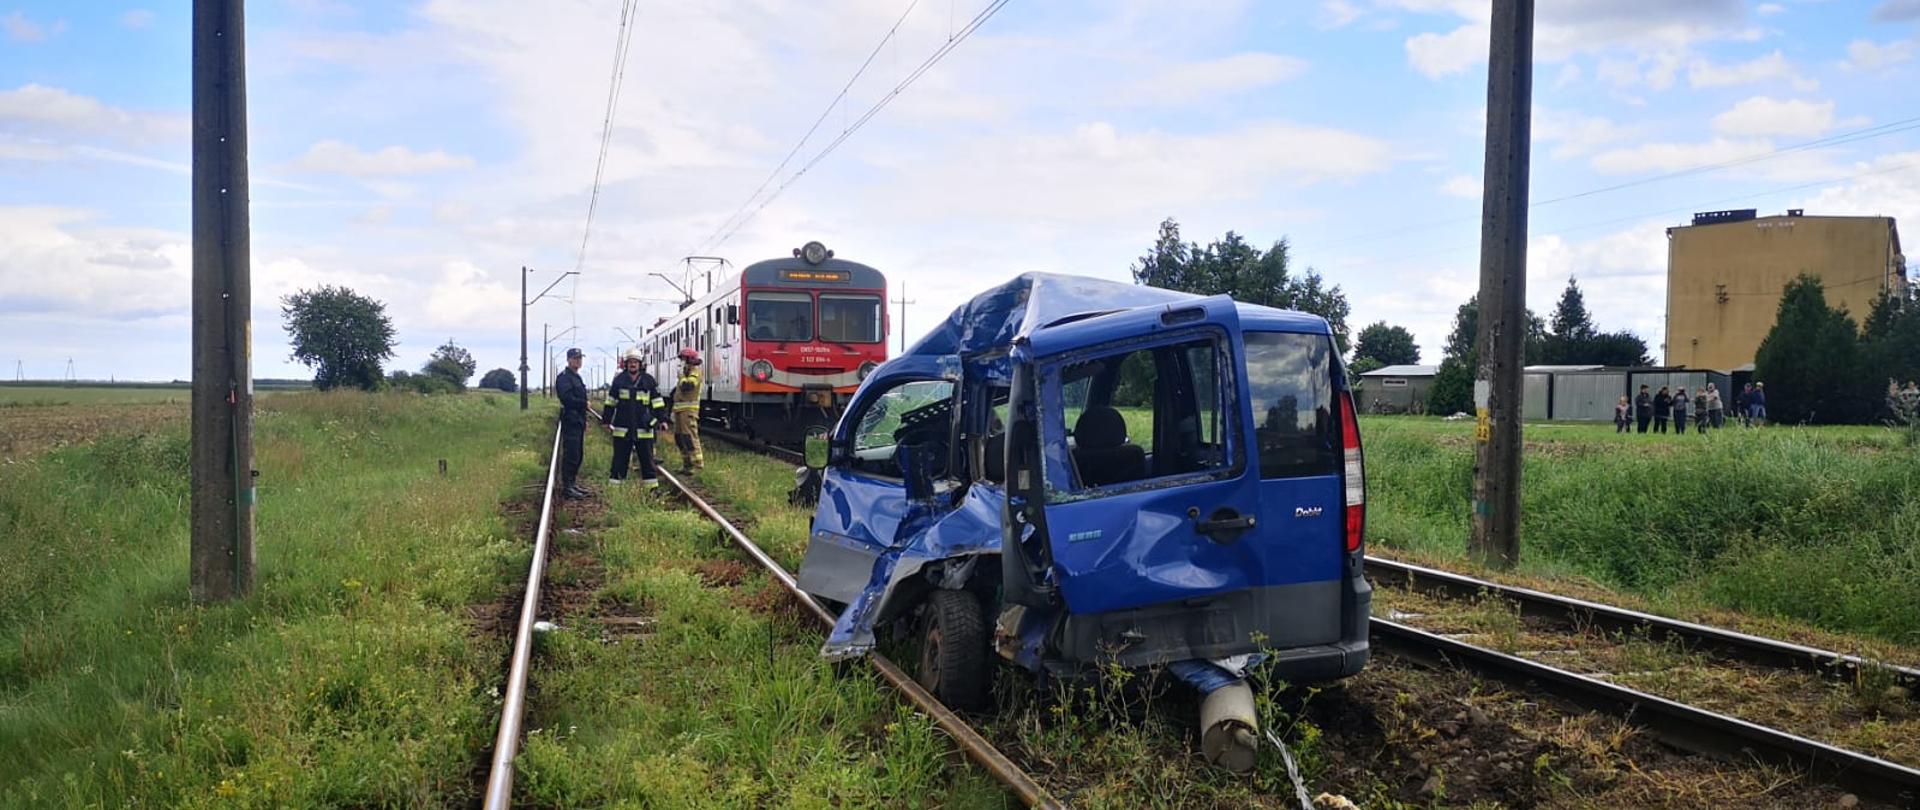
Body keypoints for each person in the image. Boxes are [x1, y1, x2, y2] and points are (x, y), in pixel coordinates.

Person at [603, 348, 666, 488]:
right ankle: (616, 490)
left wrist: (662, 420)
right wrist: (606, 420)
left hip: (643, 428)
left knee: (647, 461)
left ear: (640, 364)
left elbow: (657, 402)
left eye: (635, 362)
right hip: (623, 428)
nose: (633, 364)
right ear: (626, 364)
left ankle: (651, 491)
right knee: (619, 460)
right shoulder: (619, 381)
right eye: (630, 362)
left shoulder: (648, 381)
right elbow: (611, 401)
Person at [556, 347, 590, 500]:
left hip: (579, 420)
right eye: (575, 358)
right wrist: (584, 404)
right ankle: (567, 487)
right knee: (571, 454)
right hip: (571, 420)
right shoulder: (564, 378)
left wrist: (585, 419)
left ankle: (572, 483)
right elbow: (567, 399)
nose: (578, 361)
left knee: (578, 454)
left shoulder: (577, 377)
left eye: (580, 358)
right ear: (569, 360)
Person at [671, 346, 704, 472]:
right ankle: (687, 464)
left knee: (689, 437)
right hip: (680, 410)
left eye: (684, 359)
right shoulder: (685, 371)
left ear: (690, 359)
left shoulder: (695, 371)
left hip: (689, 410)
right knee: (680, 438)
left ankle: (697, 465)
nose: (682, 361)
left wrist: (681, 378)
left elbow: (688, 386)